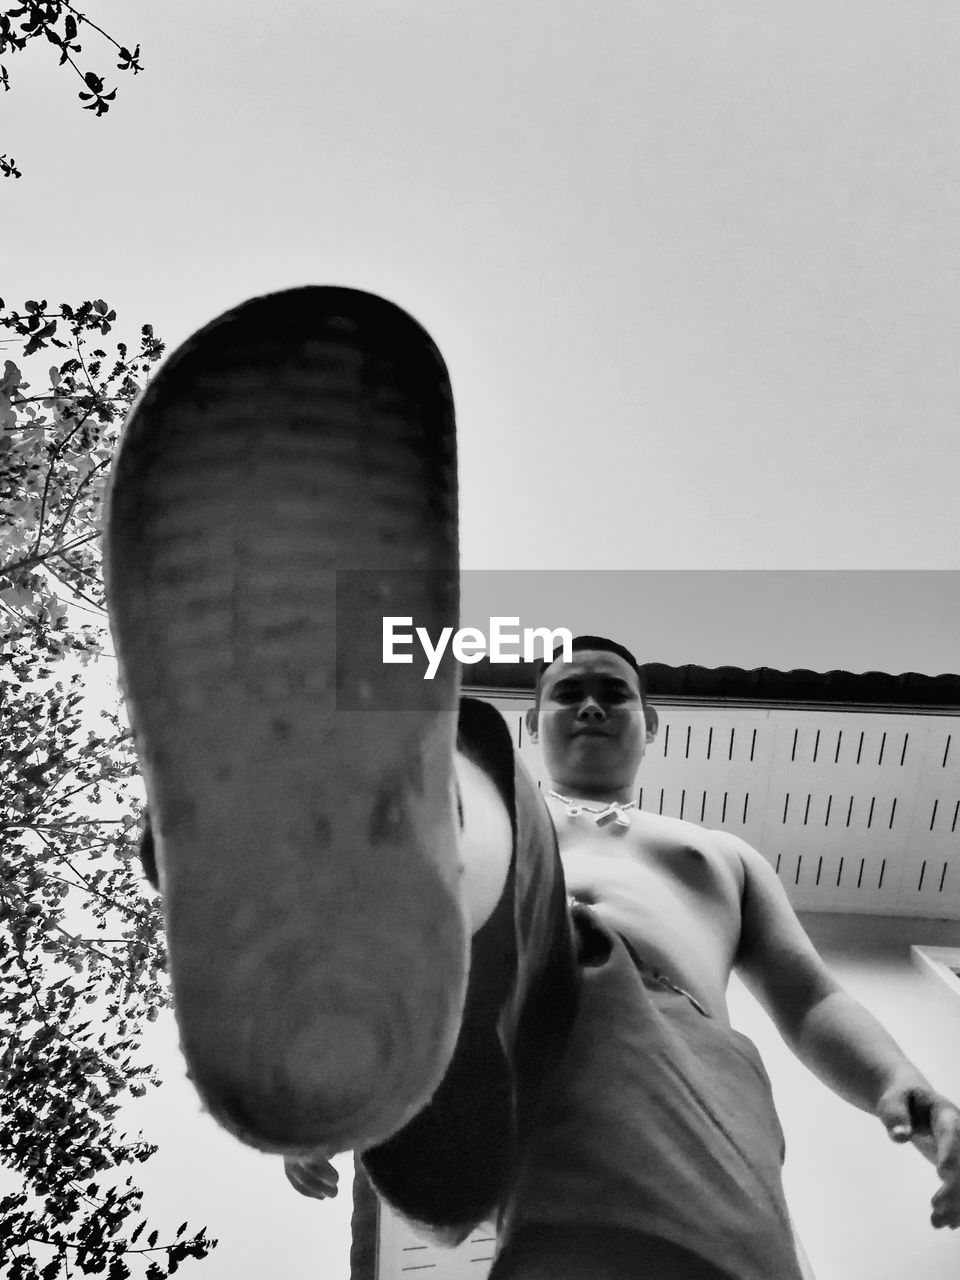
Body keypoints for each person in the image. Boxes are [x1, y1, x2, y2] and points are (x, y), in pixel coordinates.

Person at [106, 287, 960, 1279]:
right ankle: (379, 838)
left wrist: (908, 1083)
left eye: (612, 692)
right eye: (565, 693)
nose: (590, 705)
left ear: (652, 724)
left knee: (661, 1255)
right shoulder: (523, 789)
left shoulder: (720, 852)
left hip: (657, 1043)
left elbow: (807, 994)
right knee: (489, 794)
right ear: (538, 720)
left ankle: (362, 905)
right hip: (488, 962)